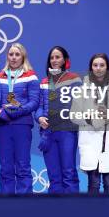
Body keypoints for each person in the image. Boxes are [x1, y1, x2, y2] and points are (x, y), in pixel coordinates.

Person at [71, 53, 109, 194]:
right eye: (95, 65)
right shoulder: (82, 90)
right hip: (91, 142)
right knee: (93, 185)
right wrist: (89, 119)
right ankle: (92, 215)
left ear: (107, 67)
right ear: (91, 68)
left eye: (102, 65)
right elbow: (73, 115)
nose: (98, 68)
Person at [35, 45, 81, 193]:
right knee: (53, 175)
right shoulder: (44, 81)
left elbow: (76, 104)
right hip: (47, 133)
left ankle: (72, 210)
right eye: (52, 58)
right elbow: (39, 106)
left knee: (68, 172)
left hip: (66, 131)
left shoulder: (74, 78)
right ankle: (55, 210)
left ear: (64, 60)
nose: (54, 60)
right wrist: (40, 117)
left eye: (57, 57)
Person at [0, 43, 39, 194]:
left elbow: (34, 101)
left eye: (17, 54)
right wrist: (2, 113)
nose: (13, 57)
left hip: (22, 124)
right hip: (3, 125)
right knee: (6, 165)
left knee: (23, 164)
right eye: (11, 54)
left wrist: (19, 111)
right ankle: (5, 204)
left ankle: (25, 204)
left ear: (23, 57)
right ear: (7, 56)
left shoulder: (31, 76)